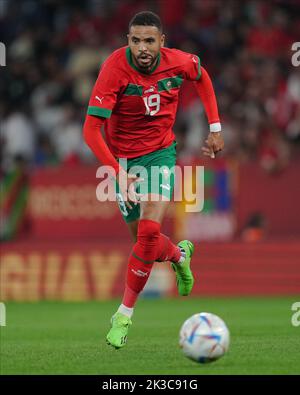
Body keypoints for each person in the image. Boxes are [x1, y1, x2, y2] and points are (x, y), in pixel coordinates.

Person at [83, 11, 224, 349]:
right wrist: (118, 172)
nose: (142, 48)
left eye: (149, 40)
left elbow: (202, 77)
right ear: (127, 41)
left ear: (162, 42)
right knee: (143, 244)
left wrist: (216, 128)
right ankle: (178, 256)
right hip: (124, 162)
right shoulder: (114, 69)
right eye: (135, 40)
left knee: (147, 234)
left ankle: (123, 315)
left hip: (160, 153)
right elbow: (91, 131)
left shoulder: (178, 62)